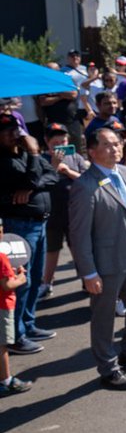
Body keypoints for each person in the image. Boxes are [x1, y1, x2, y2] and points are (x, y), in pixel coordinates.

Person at [68, 127, 126, 390]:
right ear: (92, 151)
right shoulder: (84, 186)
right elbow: (79, 234)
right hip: (105, 262)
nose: (115, 149)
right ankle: (108, 368)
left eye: (117, 144)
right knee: (104, 315)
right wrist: (88, 273)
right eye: (108, 145)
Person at [0, 115, 56, 355]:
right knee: (23, 281)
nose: (15, 134)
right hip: (19, 224)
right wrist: (34, 154)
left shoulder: (22, 152)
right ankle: (15, 336)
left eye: (16, 128)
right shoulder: (4, 160)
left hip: (38, 223)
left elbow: (51, 176)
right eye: (7, 131)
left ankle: (28, 324)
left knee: (35, 276)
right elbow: (33, 176)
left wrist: (31, 187)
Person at [40, 123, 88, 299]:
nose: (60, 145)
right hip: (52, 212)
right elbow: (40, 183)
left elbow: (87, 180)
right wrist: (53, 166)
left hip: (75, 210)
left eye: (64, 141)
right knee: (52, 250)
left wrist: (68, 171)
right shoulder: (41, 159)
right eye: (56, 142)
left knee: (77, 247)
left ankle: (86, 279)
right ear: (47, 141)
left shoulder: (76, 158)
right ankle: (47, 283)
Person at [0, 219, 32, 395]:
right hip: (2, 306)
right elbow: (6, 285)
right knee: (2, 346)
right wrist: (20, 278)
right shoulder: (2, 257)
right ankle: (6, 380)